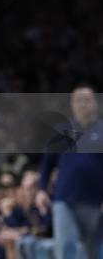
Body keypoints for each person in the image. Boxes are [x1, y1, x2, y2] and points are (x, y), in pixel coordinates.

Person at [36, 85, 103, 259]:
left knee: (93, 251)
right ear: (72, 105)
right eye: (78, 100)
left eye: (87, 99)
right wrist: (42, 189)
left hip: (95, 202)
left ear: (95, 103)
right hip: (64, 199)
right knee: (66, 247)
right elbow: (47, 162)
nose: (83, 104)